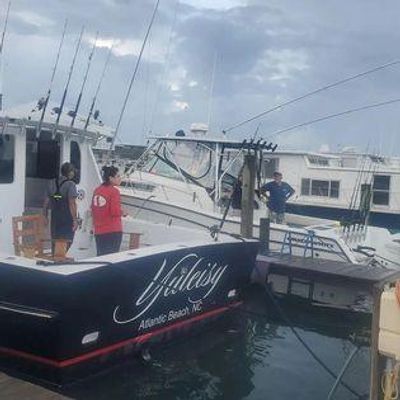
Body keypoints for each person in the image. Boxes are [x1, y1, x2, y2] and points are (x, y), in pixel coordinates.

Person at [43, 162, 79, 252]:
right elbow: (72, 203)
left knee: (55, 240)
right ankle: (59, 258)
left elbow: (46, 202)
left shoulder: (51, 182)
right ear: (70, 172)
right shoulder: (71, 184)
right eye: (73, 171)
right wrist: (75, 220)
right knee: (67, 240)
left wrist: (45, 216)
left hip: (55, 217)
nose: (73, 173)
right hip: (67, 218)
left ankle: (55, 257)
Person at [91, 166, 125, 256]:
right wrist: (123, 212)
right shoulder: (114, 191)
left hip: (99, 230)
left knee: (100, 256)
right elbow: (115, 212)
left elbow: (93, 208)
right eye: (118, 176)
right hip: (112, 230)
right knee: (111, 257)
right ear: (110, 178)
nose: (120, 178)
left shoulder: (97, 190)